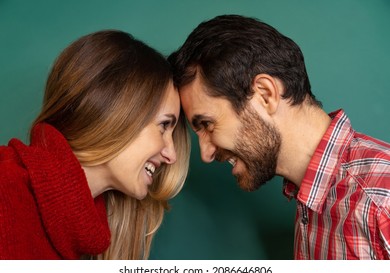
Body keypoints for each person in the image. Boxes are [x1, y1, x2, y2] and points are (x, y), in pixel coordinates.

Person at [168, 14, 390, 260]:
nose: (206, 154)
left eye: (208, 124)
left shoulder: (381, 200)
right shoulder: (313, 199)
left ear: (265, 94)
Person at [0, 30, 190, 260]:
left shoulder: (81, 230)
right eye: (163, 125)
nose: (172, 155)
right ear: (116, 113)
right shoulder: (7, 187)